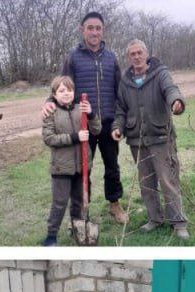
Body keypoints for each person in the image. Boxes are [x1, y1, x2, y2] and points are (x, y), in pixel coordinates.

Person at [43, 12, 129, 225]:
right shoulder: (73, 57)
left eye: (98, 28)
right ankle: (83, 209)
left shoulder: (111, 58)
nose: (94, 32)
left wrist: (121, 119)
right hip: (83, 123)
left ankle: (115, 205)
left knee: (112, 166)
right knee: (84, 168)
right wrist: (49, 101)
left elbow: (119, 90)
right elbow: (61, 86)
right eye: (90, 28)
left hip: (107, 122)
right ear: (83, 30)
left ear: (103, 30)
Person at [113, 39, 187, 239]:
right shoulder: (125, 81)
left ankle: (178, 222)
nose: (136, 57)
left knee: (168, 180)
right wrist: (117, 127)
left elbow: (171, 89)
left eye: (139, 53)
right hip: (138, 142)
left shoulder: (160, 73)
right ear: (128, 57)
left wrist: (176, 101)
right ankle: (155, 218)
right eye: (132, 54)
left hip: (161, 138)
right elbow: (120, 109)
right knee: (146, 184)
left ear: (146, 54)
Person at [41, 76, 100, 246]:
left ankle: (77, 228)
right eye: (61, 91)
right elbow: (49, 138)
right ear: (54, 94)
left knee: (78, 201)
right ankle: (51, 236)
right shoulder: (50, 112)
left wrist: (91, 113)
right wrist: (75, 137)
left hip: (82, 166)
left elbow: (97, 129)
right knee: (59, 203)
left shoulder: (80, 108)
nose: (66, 93)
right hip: (62, 167)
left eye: (69, 90)